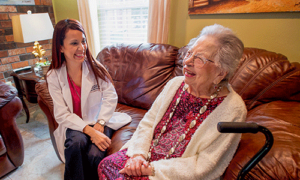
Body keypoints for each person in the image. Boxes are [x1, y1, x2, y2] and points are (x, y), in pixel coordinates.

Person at [97, 24, 247, 180]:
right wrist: (138, 155)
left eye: (199, 59)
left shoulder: (233, 109)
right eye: (189, 53)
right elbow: (148, 122)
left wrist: (151, 170)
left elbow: (205, 164)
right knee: (107, 165)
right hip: (143, 158)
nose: (187, 61)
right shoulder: (175, 84)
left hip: (173, 173)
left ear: (221, 72)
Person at [46, 19, 131, 180]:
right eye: (74, 43)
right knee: (75, 144)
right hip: (75, 123)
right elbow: (61, 114)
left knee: (94, 154)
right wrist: (90, 131)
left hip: (99, 120)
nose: (81, 47)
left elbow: (111, 96)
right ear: (60, 47)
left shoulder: (96, 68)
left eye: (83, 41)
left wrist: (100, 122)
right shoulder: (54, 76)